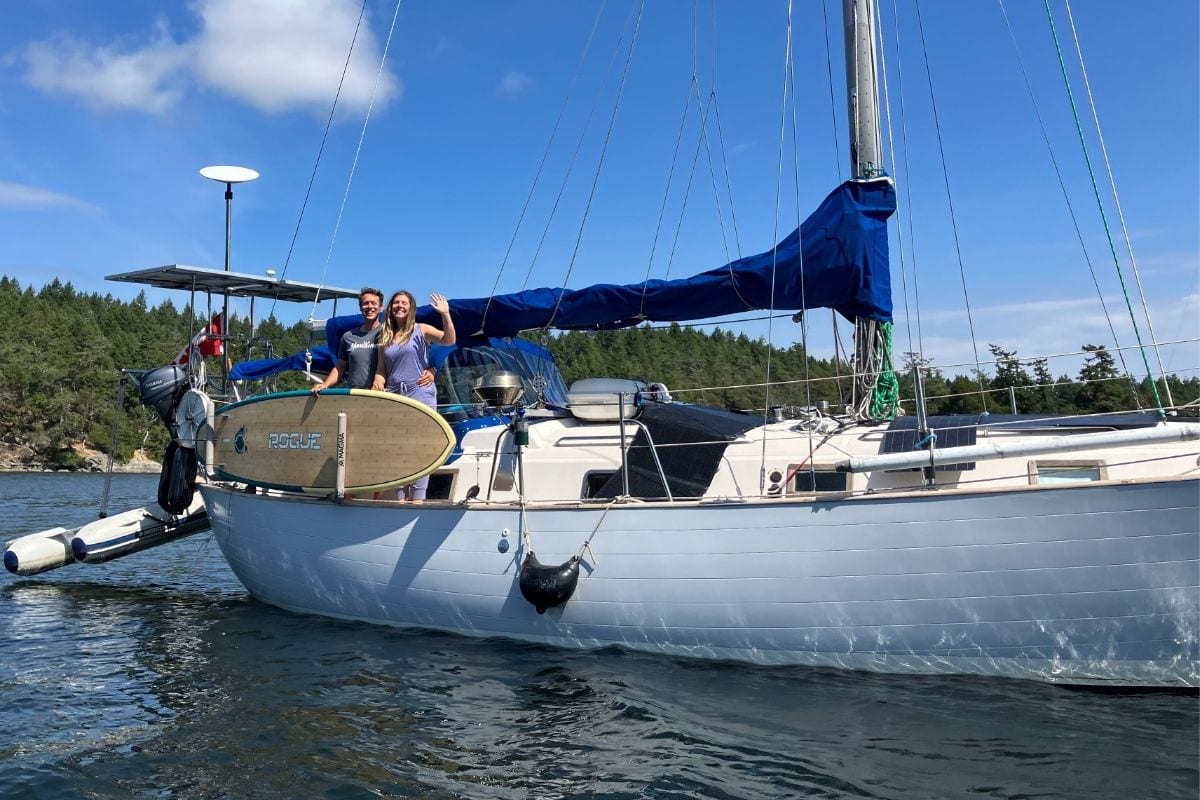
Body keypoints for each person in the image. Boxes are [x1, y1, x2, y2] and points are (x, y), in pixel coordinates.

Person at [373, 290, 456, 502]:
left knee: (422, 445)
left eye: (404, 303)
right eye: (396, 303)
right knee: (397, 446)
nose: (399, 306)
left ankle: (418, 498)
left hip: (419, 391)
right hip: (394, 394)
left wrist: (445, 314)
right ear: (391, 307)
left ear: (411, 308)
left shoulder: (421, 330)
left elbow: (448, 340)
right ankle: (400, 498)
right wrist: (378, 380)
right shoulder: (385, 335)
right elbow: (382, 368)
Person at [311, 287, 434, 393]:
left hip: (383, 393)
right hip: (356, 393)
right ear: (360, 307)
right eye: (366, 304)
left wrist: (433, 369)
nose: (370, 307)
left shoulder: (390, 333)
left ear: (381, 307)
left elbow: (420, 349)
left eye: (374, 303)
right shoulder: (348, 337)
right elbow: (341, 366)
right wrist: (325, 384)